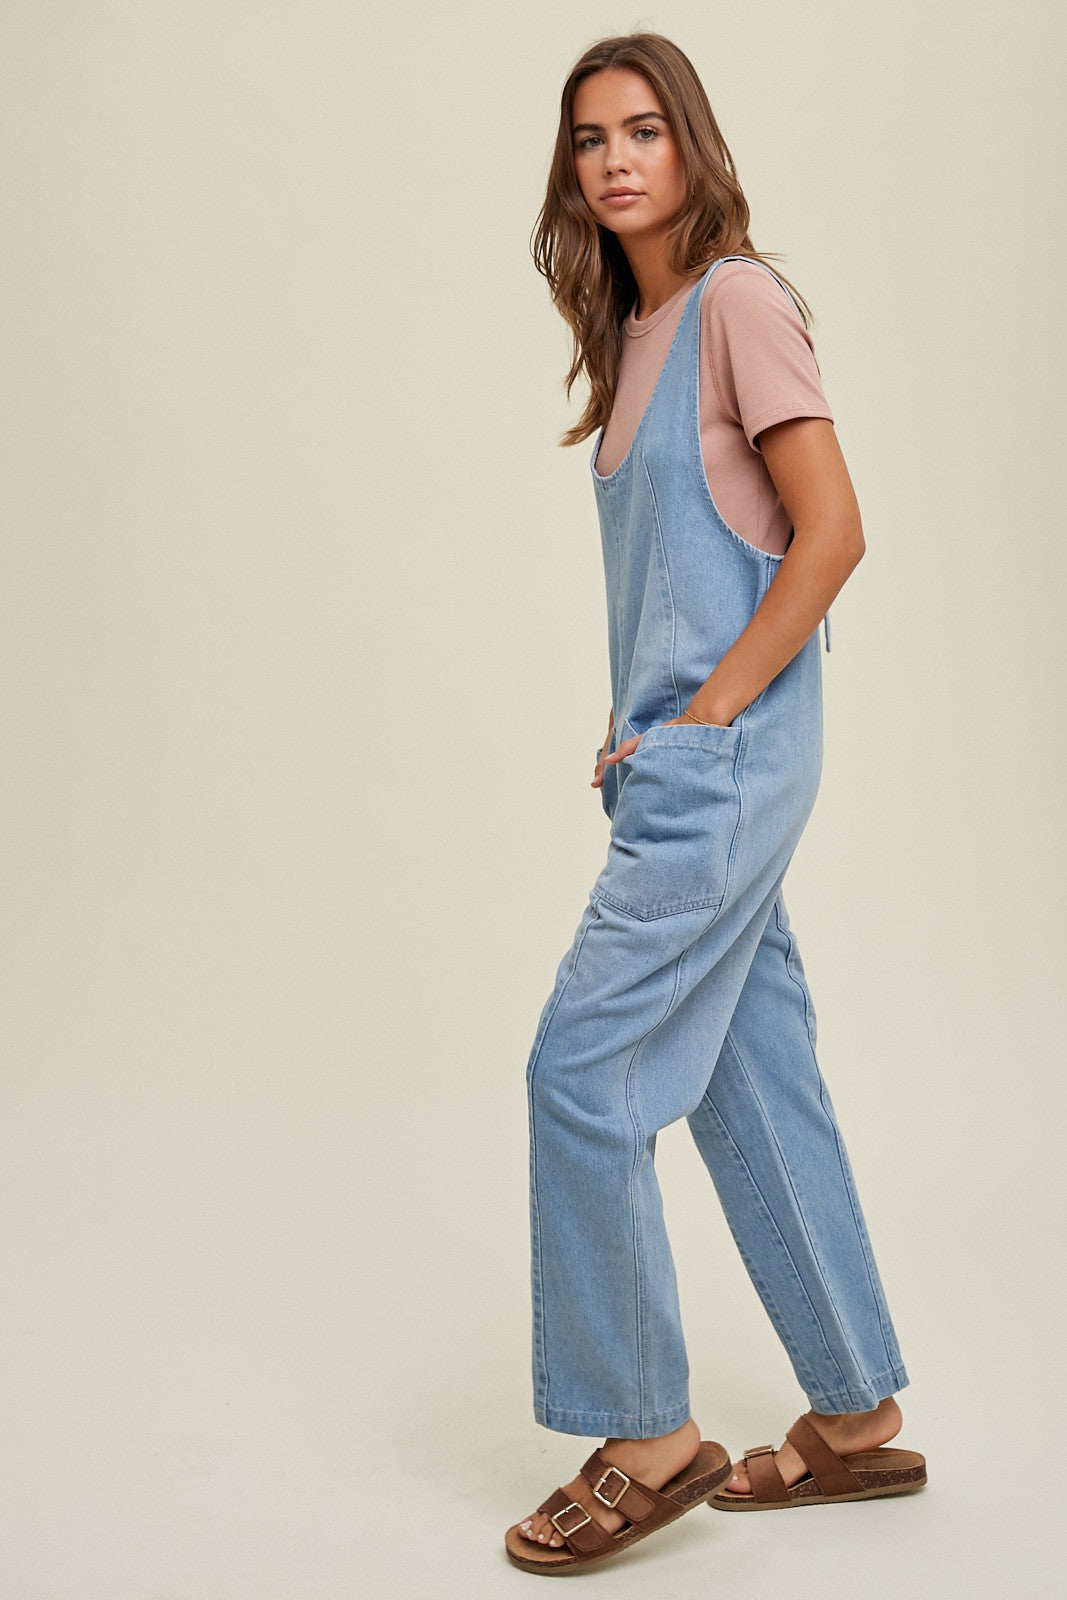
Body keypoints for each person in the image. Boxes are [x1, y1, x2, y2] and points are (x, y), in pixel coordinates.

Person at [503, 32, 927, 1578]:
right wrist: (647, 732)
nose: (616, 159)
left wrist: (699, 718)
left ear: (693, 144)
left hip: (724, 761)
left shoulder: (739, 302)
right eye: (589, 140)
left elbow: (833, 531)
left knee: (580, 1072)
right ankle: (856, 1413)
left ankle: (645, 1436)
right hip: (684, 767)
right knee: (752, 1079)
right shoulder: (638, 332)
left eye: (644, 130)